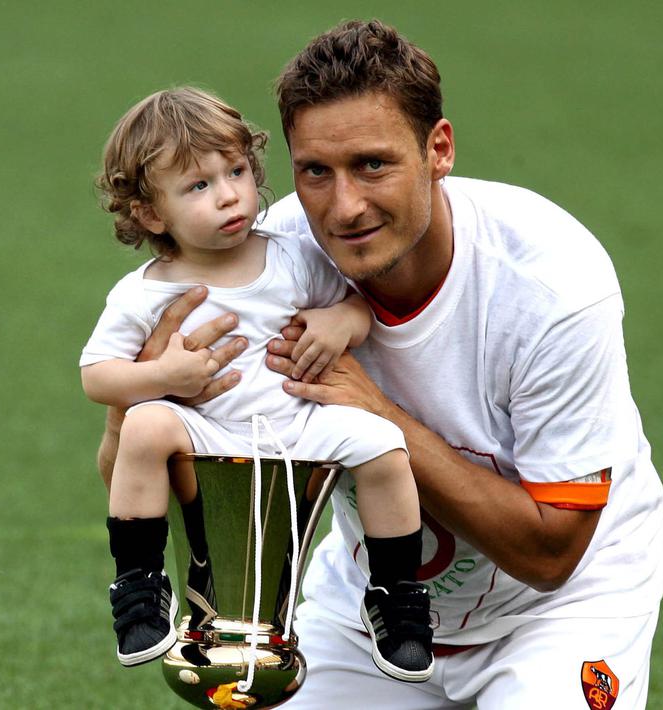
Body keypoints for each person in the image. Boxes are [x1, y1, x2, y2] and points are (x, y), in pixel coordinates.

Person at [97, 21, 663, 709]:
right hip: (363, 617)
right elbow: (149, 465)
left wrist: (375, 412)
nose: (343, 207)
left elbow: (551, 554)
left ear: (438, 149)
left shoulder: (549, 289)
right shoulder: (258, 267)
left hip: (558, 613)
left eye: (372, 164)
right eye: (315, 171)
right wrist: (138, 408)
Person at [80, 86, 435, 681]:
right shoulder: (143, 291)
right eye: (199, 185)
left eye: (237, 171)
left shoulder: (292, 256)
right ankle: (140, 590)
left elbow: (357, 311)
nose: (228, 195)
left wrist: (336, 322)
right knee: (144, 422)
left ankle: (396, 599)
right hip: (206, 432)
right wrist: (162, 376)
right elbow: (97, 375)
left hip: (297, 422)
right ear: (150, 212)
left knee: (383, 444)